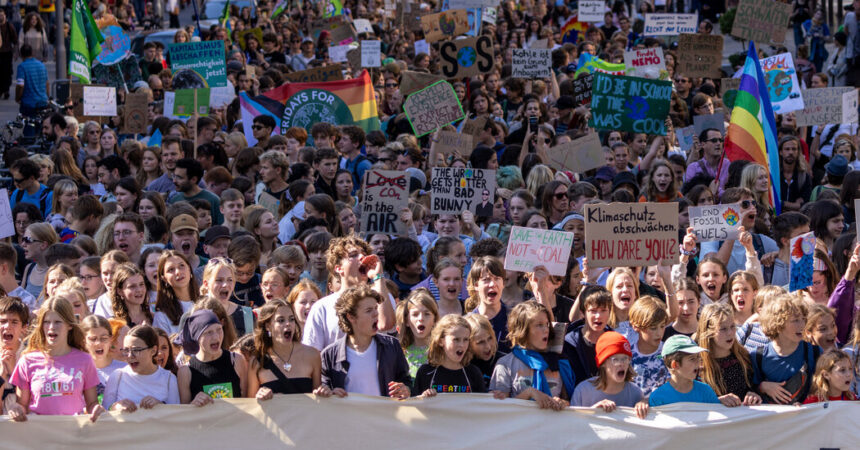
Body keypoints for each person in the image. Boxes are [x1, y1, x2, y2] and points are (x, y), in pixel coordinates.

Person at [7, 298, 105, 422]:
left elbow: (91, 404)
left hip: (75, 434)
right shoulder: (27, 361)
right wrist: (16, 409)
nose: (51, 327)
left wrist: (97, 409)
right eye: (47, 322)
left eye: (58, 322)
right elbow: (22, 405)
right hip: (39, 435)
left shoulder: (85, 360)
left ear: (69, 325)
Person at [302, 236, 395, 352]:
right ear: (339, 268)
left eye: (364, 254)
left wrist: (378, 277)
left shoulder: (382, 294)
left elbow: (385, 324)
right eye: (353, 255)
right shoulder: (322, 307)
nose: (362, 258)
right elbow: (312, 353)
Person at [319, 286, 412, 398]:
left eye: (375, 308)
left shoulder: (392, 346)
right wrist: (330, 393)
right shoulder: (329, 355)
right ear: (351, 317)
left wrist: (405, 389)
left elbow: (406, 381)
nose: (376, 314)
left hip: (386, 415)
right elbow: (323, 391)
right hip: (348, 415)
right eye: (368, 311)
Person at [489, 301, 573, 410]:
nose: (546, 330)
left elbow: (571, 402)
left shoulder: (559, 361)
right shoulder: (505, 364)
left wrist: (563, 403)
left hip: (553, 426)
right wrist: (529, 393)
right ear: (523, 330)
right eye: (539, 325)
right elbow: (498, 409)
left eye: (547, 324)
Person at [248, 300, 324, 398]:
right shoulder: (257, 361)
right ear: (268, 326)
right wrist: (259, 396)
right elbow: (249, 404)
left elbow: (320, 401)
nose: (288, 324)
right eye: (281, 320)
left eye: (291, 319)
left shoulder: (312, 355)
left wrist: (324, 392)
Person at [753, 294, 821, 404]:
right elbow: (747, 391)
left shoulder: (814, 352)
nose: (802, 325)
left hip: (805, 418)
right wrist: (762, 387)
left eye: (803, 319)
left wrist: (808, 402)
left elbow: (825, 389)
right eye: (795, 320)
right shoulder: (757, 356)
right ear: (778, 323)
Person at [695, 304, 763, 406]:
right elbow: (691, 400)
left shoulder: (744, 357)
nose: (730, 333)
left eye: (732, 326)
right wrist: (717, 401)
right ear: (709, 332)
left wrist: (753, 394)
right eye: (723, 329)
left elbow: (754, 387)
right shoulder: (696, 364)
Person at [176, 309, 248, 405]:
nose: (216, 337)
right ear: (196, 336)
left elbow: (248, 402)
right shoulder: (186, 372)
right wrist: (192, 405)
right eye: (208, 332)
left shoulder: (236, 360)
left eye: (219, 329)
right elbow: (184, 414)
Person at [571, 331, 649, 419]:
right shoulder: (583, 391)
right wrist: (594, 412)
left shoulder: (636, 393)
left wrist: (645, 403)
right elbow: (572, 426)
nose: (621, 364)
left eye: (625, 359)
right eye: (615, 360)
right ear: (603, 363)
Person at [103, 325, 180, 411]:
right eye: (126, 350)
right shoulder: (117, 376)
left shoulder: (169, 379)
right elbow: (105, 414)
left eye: (136, 350)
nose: (130, 356)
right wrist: (115, 407)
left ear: (153, 351)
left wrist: (160, 406)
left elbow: (175, 416)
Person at [413, 315, 487, 396]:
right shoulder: (426, 372)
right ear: (441, 341)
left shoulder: (473, 373)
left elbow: (482, 405)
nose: (461, 345)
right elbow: (415, 405)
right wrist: (423, 397)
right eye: (456, 339)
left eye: (465, 340)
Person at [648, 335, 722, 407]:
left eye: (698, 357)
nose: (698, 362)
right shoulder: (657, 398)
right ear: (675, 365)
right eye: (692, 359)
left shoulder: (706, 391)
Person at [396, 289, 438, 378]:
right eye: (415, 314)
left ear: (434, 320)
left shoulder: (441, 351)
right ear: (407, 321)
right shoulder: (399, 352)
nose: (421, 318)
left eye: (427, 314)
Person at [15, 43, 47, 116]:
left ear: (21, 55)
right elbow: (47, 83)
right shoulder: (42, 65)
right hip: (43, 101)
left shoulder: (22, 67)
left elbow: (20, 85)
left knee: (29, 125)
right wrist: (46, 97)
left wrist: (17, 98)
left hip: (28, 103)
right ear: (32, 53)